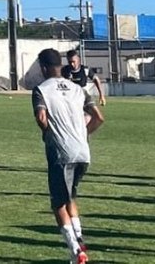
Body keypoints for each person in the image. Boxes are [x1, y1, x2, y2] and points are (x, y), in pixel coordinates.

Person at [32, 48, 105, 264]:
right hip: (83, 152)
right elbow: (99, 118)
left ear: (43, 67)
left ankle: (75, 251)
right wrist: (82, 134)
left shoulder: (41, 90)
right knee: (70, 197)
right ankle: (80, 240)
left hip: (61, 152)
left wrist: (48, 133)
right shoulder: (77, 88)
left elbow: (41, 117)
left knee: (58, 204)